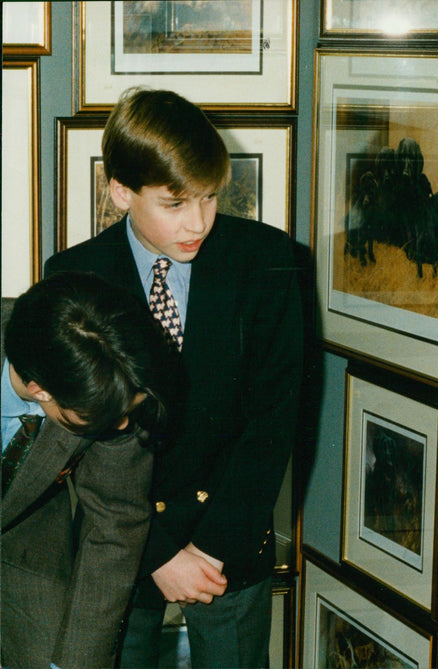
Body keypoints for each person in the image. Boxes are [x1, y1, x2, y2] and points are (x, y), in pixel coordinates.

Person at [45, 86, 304, 667]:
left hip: (227, 544)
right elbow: (78, 445)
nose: (199, 222)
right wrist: (159, 554)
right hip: (121, 549)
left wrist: (207, 548)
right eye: (175, 203)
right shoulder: (73, 277)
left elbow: (273, 425)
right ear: (120, 191)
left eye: (210, 198)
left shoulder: (267, 261)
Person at [1, 270, 177, 668]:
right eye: (105, 420)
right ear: (39, 391)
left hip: (24, 538)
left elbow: (115, 525)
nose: (121, 429)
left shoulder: (116, 378)